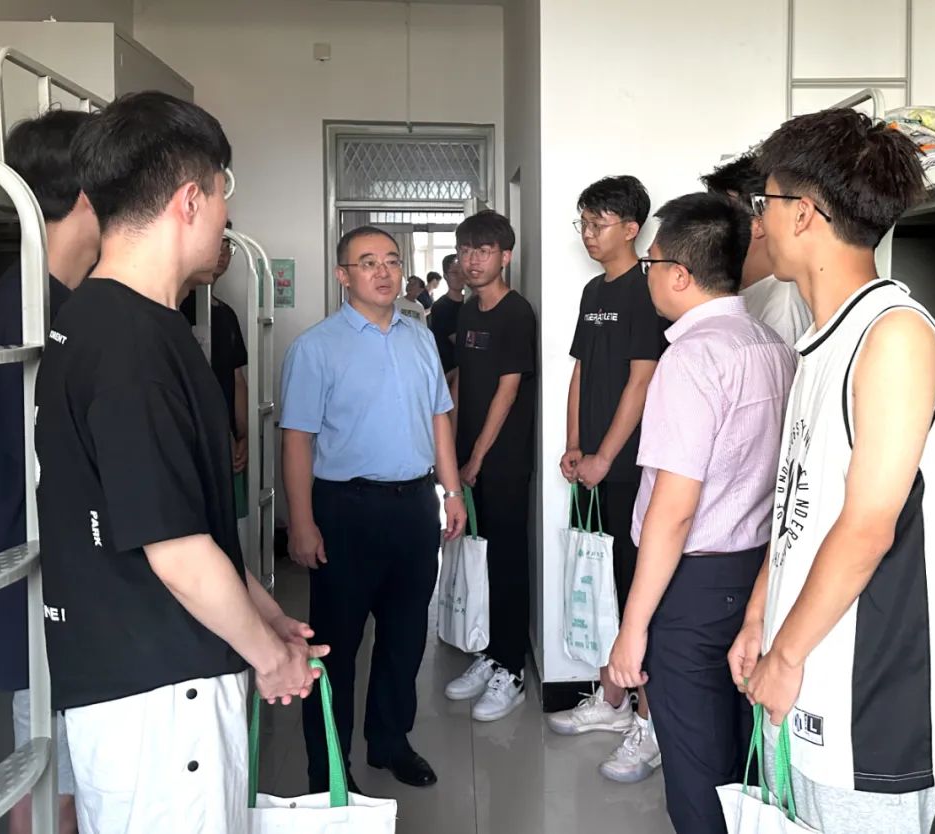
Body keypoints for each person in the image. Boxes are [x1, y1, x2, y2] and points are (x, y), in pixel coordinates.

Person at [34, 91, 326, 834]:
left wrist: (265, 614)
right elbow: (178, 554)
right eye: (224, 194)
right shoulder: (130, 346)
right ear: (191, 200)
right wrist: (270, 659)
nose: (226, 216)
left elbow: (184, 518)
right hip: (158, 698)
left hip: (153, 680)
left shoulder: (115, 321)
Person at [729, 108, 935, 834]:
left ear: (803, 213)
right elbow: (798, 506)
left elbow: (869, 526)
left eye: (764, 203)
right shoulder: (824, 341)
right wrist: (759, 617)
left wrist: (785, 655)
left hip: (868, 702)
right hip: (803, 672)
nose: (757, 223)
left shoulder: (893, 335)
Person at [607, 193, 796, 834]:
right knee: (742, 759)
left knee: (696, 771)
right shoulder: (772, 344)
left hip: (693, 587)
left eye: (651, 263)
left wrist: (632, 629)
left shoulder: (690, 358)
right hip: (757, 577)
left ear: (680, 275)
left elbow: (673, 512)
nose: (648, 275)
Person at [281, 226, 467, 792]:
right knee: (336, 647)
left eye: (391, 261)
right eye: (367, 262)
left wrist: (452, 491)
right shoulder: (316, 347)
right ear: (343, 275)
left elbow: (439, 417)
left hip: (414, 506)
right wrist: (302, 523)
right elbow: (297, 440)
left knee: (405, 637)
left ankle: (389, 742)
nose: (383, 272)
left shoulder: (420, 337)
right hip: (346, 510)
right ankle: (328, 770)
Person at [0, 109, 99, 834]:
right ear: (88, 193)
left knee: (62, 773)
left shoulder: (56, 300)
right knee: (51, 782)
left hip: (58, 574)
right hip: (39, 577)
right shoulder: (26, 309)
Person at [546, 175, 666, 784]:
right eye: (584, 224)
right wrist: (575, 446)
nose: (589, 234)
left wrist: (606, 459)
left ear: (631, 228)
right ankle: (612, 701)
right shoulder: (594, 290)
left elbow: (642, 382)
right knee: (600, 585)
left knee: (637, 591)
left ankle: (649, 722)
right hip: (591, 466)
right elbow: (580, 372)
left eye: (599, 224)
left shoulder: (648, 290)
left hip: (630, 471)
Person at [443, 210, 537, 723]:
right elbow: (462, 382)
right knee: (478, 556)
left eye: (483, 251)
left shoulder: (516, 313)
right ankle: (490, 652)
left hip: (503, 461)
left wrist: (477, 456)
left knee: (506, 560)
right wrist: (453, 451)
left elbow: (508, 390)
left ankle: (511, 669)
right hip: (469, 459)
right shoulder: (467, 311)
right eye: (466, 251)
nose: (472, 260)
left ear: (505, 256)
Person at [701, 152, 812, 345]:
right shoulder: (737, 291)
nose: (711, 227)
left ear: (759, 223)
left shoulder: (783, 304)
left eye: (723, 216)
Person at [181, 221, 249, 489]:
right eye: (216, 242)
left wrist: (243, 435)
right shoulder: (176, 309)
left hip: (227, 442)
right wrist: (219, 432)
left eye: (227, 245)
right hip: (194, 440)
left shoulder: (226, 315)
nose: (222, 252)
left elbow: (237, 378)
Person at [428, 253, 465, 380]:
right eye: (454, 273)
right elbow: (460, 342)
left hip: (467, 370)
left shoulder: (470, 303)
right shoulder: (441, 307)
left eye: (462, 272)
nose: (460, 276)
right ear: (445, 276)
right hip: (449, 372)